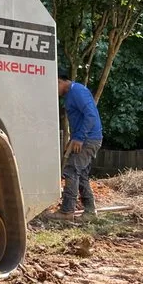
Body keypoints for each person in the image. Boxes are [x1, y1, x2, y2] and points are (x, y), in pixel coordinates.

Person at [48, 71, 103, 221]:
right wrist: (73, 140)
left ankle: (67, 212)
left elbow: (91, 115)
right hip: (87, 138)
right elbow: (79, 119)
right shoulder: (72, 94)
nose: (54, 91)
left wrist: (79, 138)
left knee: (71, 170)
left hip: (88, 139)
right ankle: (90, 212)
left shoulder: (77, 91)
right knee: (82, 174)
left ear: (60, 81)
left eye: (54, 86)